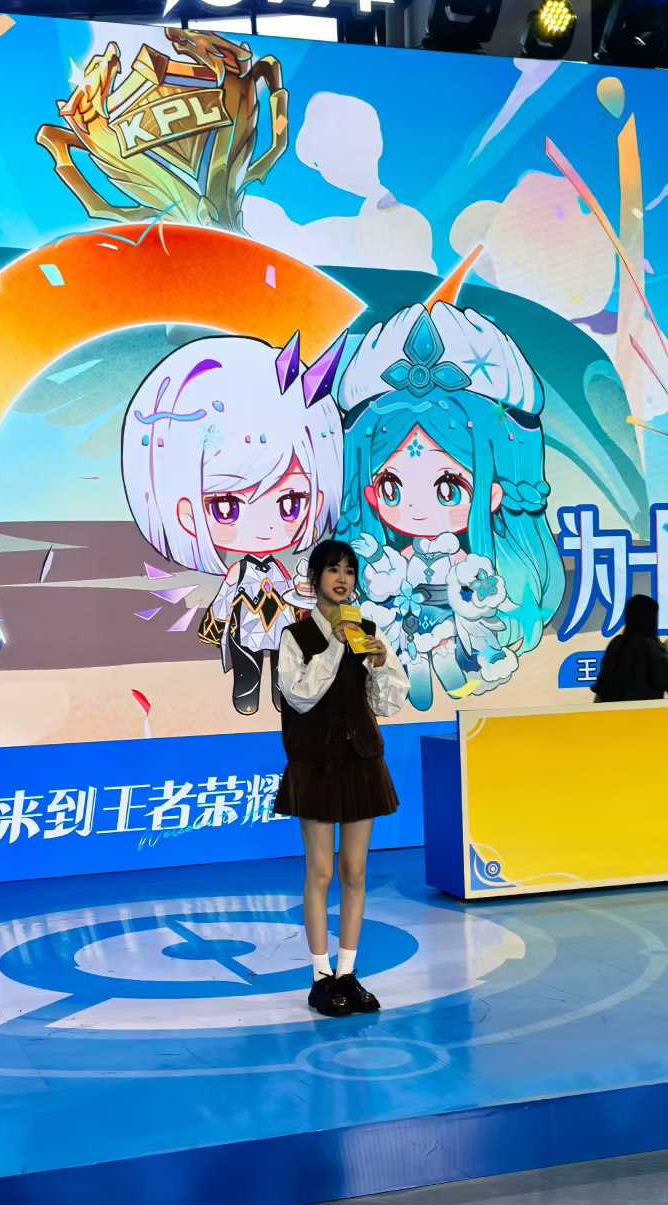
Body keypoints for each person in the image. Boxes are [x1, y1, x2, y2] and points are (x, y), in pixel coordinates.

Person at [336, 300, 563, 713]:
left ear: (495, 493)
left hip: (454, 621)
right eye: (391, 486)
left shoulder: (478, 561)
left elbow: (483, 593)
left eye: (448, 487)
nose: (416, 509)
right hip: (404, 620)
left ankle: (450, 678)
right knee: (409, 665)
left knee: (447, 658)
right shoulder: (391, 557)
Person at [121, 331, 343, 716]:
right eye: (226, 506)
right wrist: (220, 619)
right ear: (184, 511)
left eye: (290, 502)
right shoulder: (238, 573)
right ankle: (247, 694)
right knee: (247, 670)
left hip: (279, 629)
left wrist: (305, 603)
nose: (265, 527)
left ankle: (281, 695)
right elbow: (225, 601)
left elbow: (293, 597)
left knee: (284, 668)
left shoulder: (279, 571)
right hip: (248, 631)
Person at [276, 538, 409, 1017]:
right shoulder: (296, 636)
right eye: (333, 570)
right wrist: (336, 643)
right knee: (321, 871)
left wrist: (379, 663)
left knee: (355, 871)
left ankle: (348, 973)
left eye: (349, 571)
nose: (342, 579)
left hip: (360, 761)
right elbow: (299, 695)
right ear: (314, 579)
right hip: (316, 763)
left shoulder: (368, 631)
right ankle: (320, 976)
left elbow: (387, 702)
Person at [592, 595, 668, 702]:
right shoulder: (653, 648)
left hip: (613, 711)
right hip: (647, 711)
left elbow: (602, 687)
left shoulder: (616, 644)